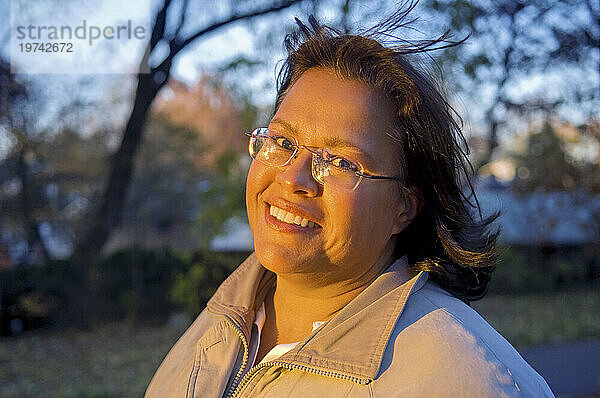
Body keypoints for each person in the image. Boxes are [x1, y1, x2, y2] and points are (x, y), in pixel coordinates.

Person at [146, 9, 554, 398]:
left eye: (341, 162)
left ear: (404, 207)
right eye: (283, 142)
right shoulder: (223, 320)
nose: (292, 178)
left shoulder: (466, 380)